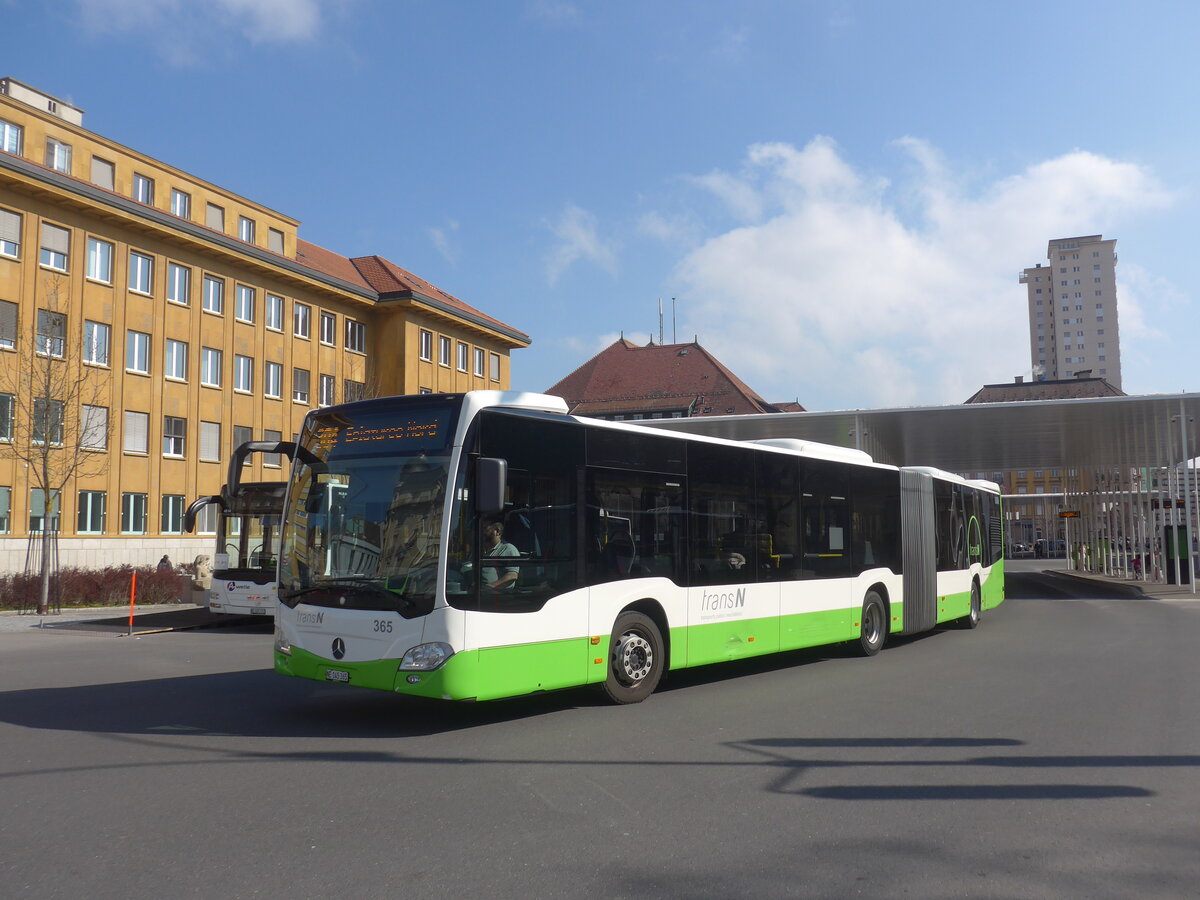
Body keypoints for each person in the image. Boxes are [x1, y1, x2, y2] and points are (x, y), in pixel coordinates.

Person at [480, 519, 519, 591]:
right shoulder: (479, 550)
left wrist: (490, 587)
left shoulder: (508, 549)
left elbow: (512, 576)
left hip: (499, 597)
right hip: (475, 594)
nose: (481, 532)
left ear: (497, 531)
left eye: (485, 528)